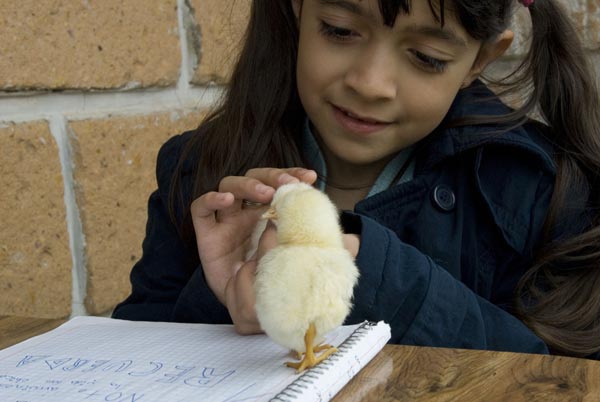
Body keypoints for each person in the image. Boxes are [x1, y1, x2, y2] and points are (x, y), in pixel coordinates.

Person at [112, 0, 600, 359]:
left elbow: (562, 376)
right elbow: (124, 365)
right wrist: (215, 296)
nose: (370, 83)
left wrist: (374, 275)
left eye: (427, 57)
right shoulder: (200, 173)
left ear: (480, 59)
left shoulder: (543, 189)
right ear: (298, 10)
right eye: (341, 30)